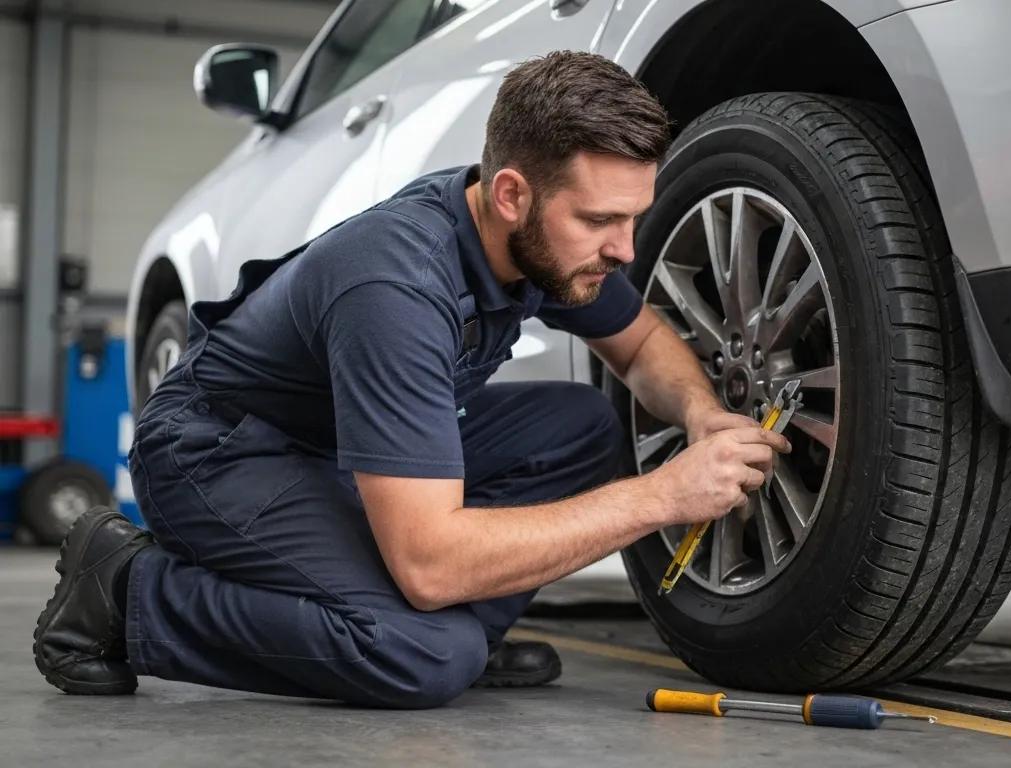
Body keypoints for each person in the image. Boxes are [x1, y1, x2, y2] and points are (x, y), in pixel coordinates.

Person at [33, 51, 788, 708]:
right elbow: (429, 564)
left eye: (633, 218)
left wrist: (699, 415)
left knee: (581, 425)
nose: (624, 249)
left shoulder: (533, 242)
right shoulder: (395, 289)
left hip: (334, 448)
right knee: (425, 653)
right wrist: (663, 496)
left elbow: (642, 341)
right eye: (598, 221)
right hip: (218, 453)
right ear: (512, 195)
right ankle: (127, 592)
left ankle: (457, 628)